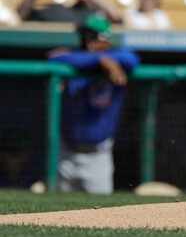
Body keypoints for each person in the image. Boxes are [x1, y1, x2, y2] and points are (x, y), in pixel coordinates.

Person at [48, 14, 139, 193]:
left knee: (99, 214)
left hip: (98, 155)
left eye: (92, 36)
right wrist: (99, 60)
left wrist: (107, 59)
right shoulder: (75, 60)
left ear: (104, 38)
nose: (87, 41)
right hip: (67, 153)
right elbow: (55, 57)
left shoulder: (119, 58)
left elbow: (132, 59)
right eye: (85, 36)